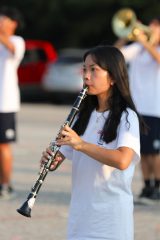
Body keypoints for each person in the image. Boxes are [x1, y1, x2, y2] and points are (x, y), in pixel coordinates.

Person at [41, 45, 145, 240]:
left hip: (111, 219)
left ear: (113, 77)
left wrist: (81, 144)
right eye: (84, 69)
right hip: (80, 216)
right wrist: (52, 159)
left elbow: (123, 160)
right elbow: (63, 154)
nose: (86, 76)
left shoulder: (126, 117)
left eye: (94, 70)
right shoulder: (82, 115)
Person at [115, 17, 160, 203]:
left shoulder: (154, 50)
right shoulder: (137, 50)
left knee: (155, 152)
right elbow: (114, 54)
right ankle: (147, 186)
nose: (149, 30)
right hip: (136, 108)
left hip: (155, 108)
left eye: (154, 28)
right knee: (143, 150)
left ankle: (158, 187)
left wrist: (145, 43)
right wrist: (126, 36)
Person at [0, 6, 25, 199]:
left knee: (3, 146)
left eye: (3, 19)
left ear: (13, 23)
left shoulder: (17, 41)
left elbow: (13, 50)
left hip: (5, 103)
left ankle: (6, 185)